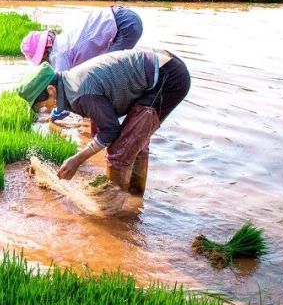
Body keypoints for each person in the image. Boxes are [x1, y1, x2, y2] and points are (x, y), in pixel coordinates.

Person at [18, 47, 191, 197]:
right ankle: (134, 196)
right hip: (158, 67)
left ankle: (113, 215)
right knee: (134, 143)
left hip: (167, 78)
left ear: (51, 90)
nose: (44, 110)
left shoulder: (80, 91)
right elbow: (101, 119)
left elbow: (110, 130)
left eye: (40, 106)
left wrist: (78, 159)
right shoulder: (69, 84)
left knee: (120, 151)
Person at [20, 5, 144, 72]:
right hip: (124, 15)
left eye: (41, 61)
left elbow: (64, 85)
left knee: (107, 71)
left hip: (124, 25)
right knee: (105, 67)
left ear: (44, 55)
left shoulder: (58, 55)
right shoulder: (62, 40)